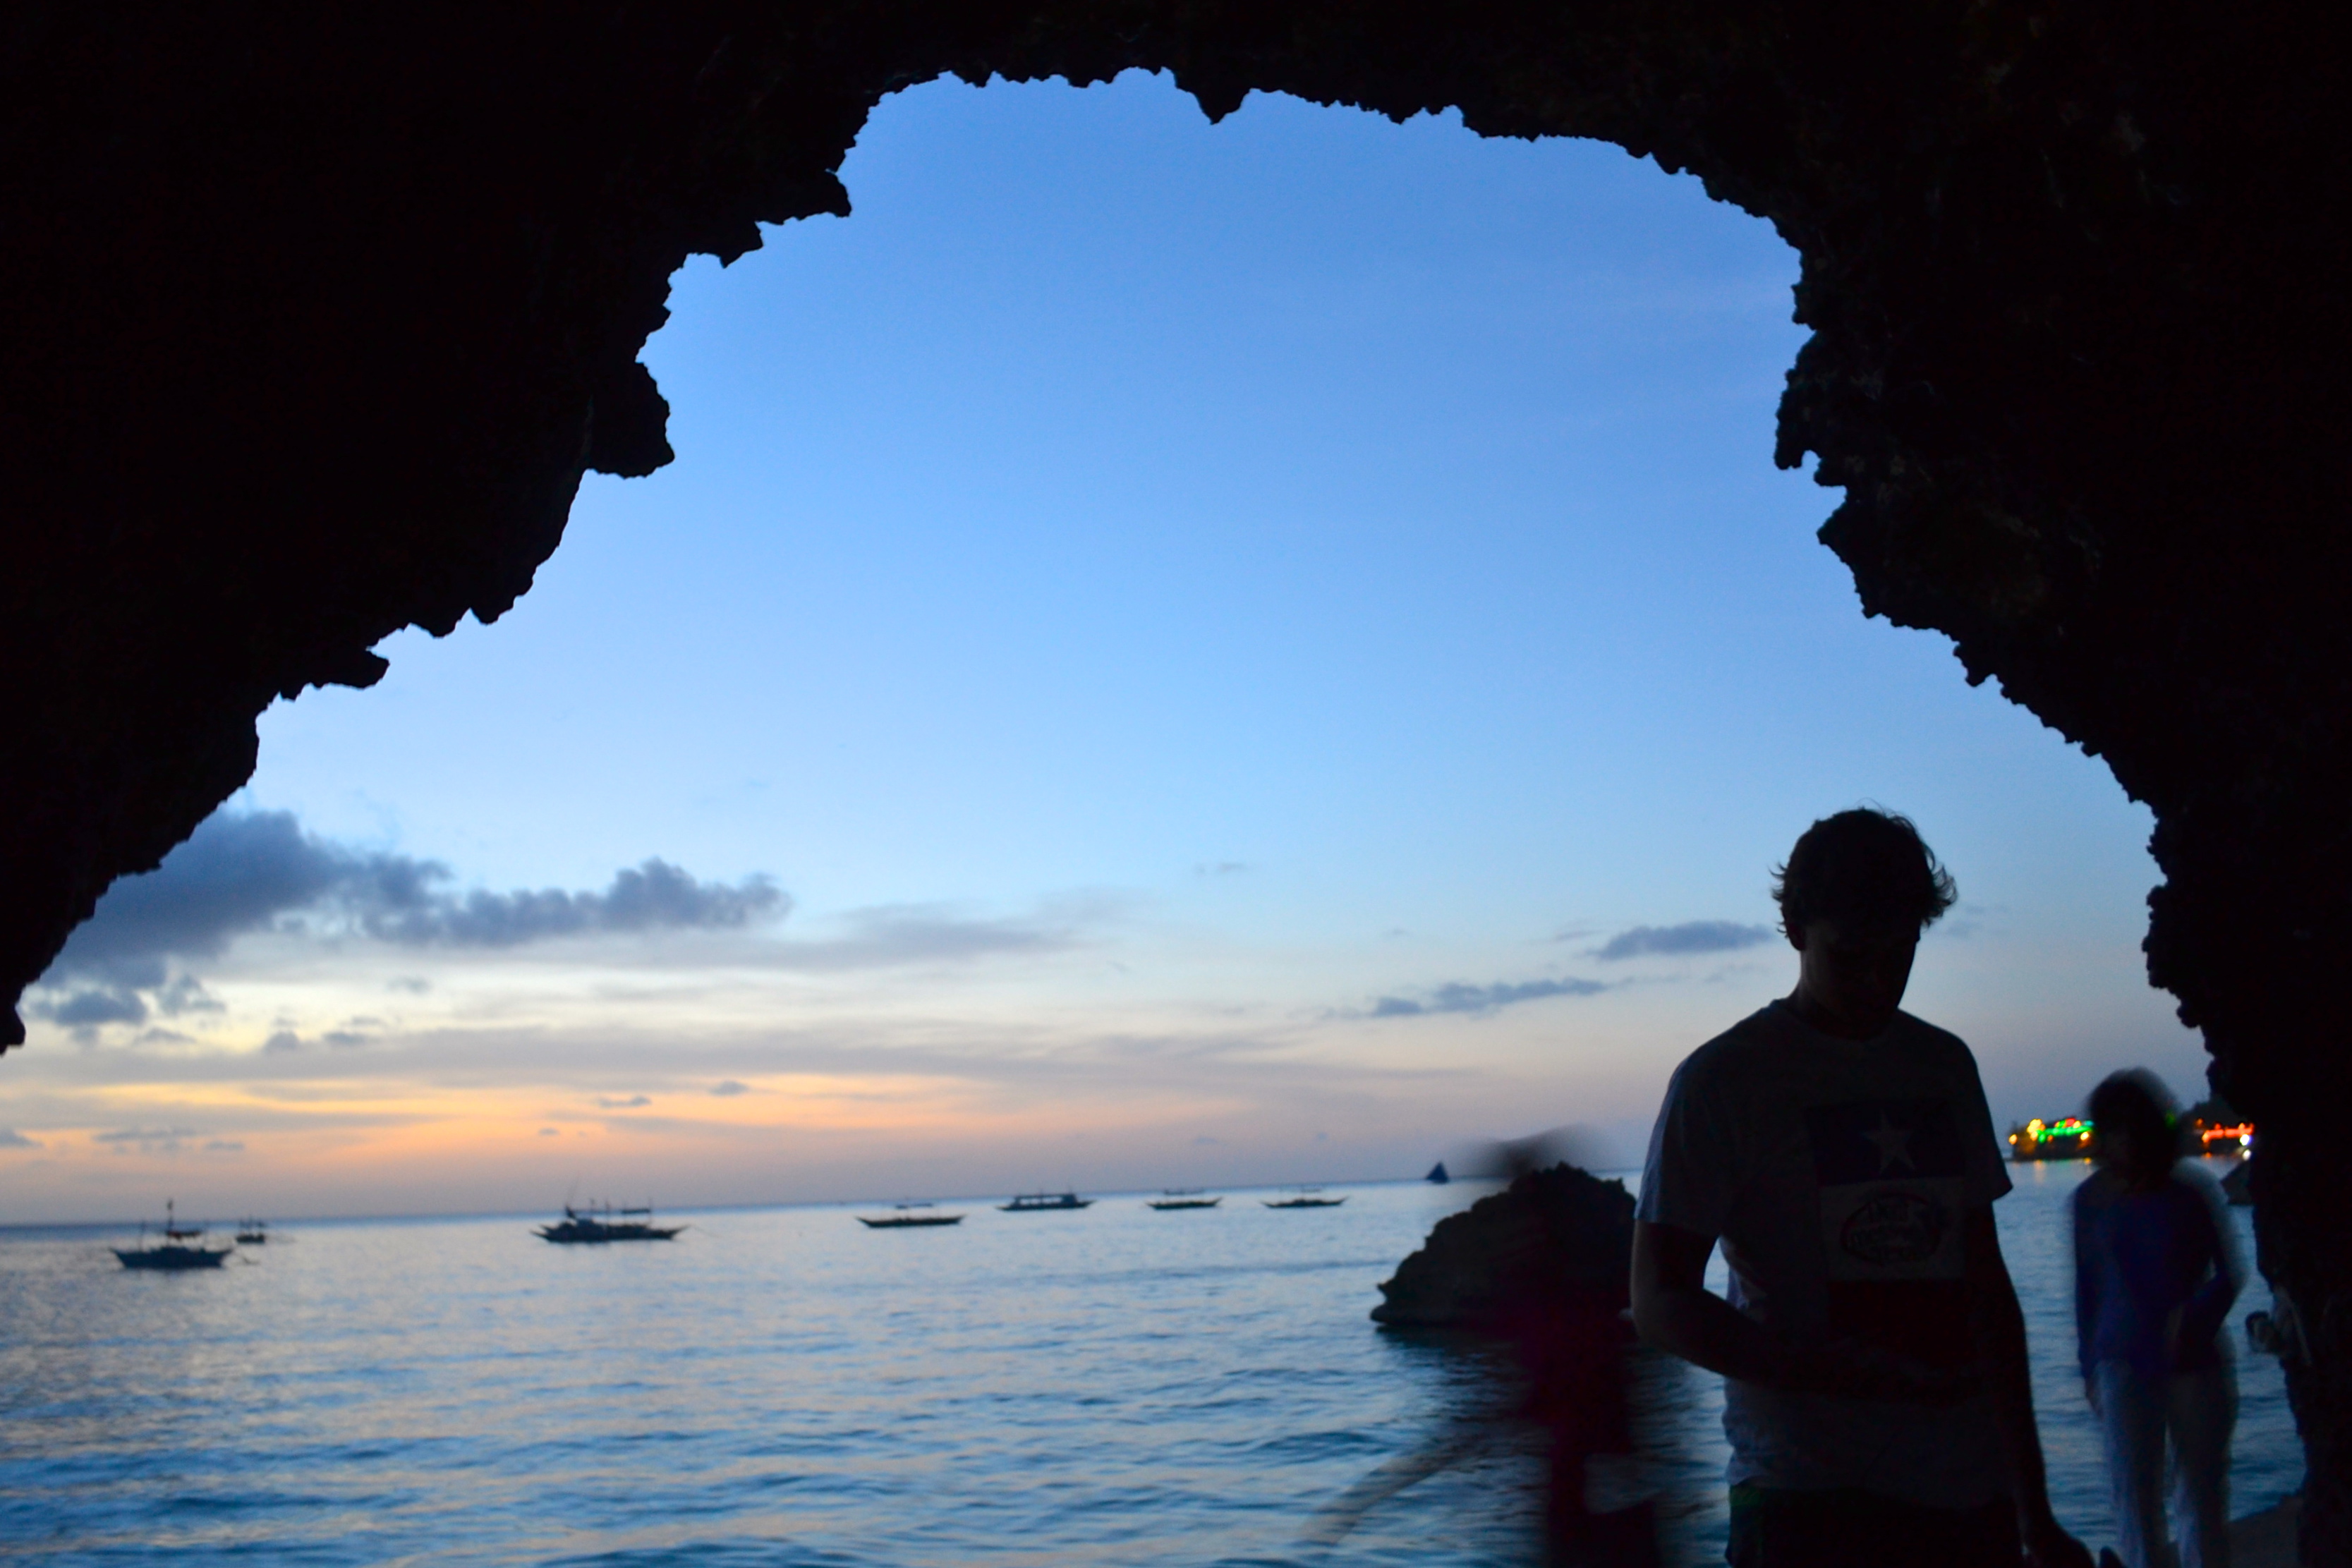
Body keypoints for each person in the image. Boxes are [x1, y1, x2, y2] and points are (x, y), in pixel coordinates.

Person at [1630, 808, 2090, 1568]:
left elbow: (1986, 1290)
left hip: (1966, 1489)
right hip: (1802, 1496)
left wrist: (2034, 1511)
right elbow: (1657, 1300)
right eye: (1850, 958)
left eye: (1899, 954)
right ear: (1794, 929)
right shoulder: (1723, 1082)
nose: (1878, 983)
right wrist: (1824, 1372)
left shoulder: (1943, 1066)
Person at [2075, 1069, 2244, 1568]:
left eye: (2127, 1128)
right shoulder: (2089, 1200)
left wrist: (2191, 1319)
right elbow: (2087, 1292)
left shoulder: (2189, 1192)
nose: (2118, 1140)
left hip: (2194, 1363)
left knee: (2201, 1500)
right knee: (2135, 1504)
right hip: (2121, 1366)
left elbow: (2228, 1273)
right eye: (2110, 1129)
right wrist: (2089, 1368)